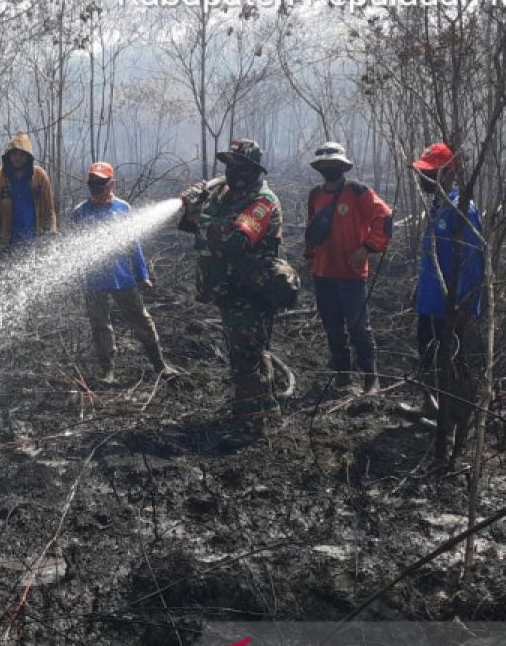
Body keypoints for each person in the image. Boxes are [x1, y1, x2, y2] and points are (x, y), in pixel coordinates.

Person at [179, 139, 283, 423]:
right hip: (230, 289)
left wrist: (202, 217)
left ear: (253, 170)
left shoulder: (262, 202)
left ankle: (249, 421)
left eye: (239, 166)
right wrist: (194, 207)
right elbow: (196, 226)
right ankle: (261, 408)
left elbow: (234, 241)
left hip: (252, 290)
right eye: (229, 165)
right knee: (243, 352)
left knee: (247, 355)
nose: (232, 171)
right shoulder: (226, 195)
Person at [412, 142, 485, 464]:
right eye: (423, 173)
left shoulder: (462, 210)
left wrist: (465, 306)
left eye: (430, 173)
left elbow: (472, 261)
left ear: (448, 174)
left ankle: (454, 426)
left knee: (454, 365)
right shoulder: (437, 207)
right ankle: (432, 405)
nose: (424, 179)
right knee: (427, 354)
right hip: (429, 302)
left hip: (451, 307)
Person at [303, 142, 394, 395]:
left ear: (343, 166)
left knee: (358, 327)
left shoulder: (357, 192)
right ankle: (342, 377)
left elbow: (384, 218)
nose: (329, 168)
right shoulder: (315, 195)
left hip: (351, 275)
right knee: (333, 327)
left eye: (334, 164)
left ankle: (370, 378)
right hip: (323, 274)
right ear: (319, 167)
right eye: (325, 165)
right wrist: (310, 259)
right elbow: (312, 232)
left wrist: (367, 248)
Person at [71, 162, 172, 383]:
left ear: (111, 183)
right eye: (92, 183)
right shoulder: (80, 212)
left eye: (101, 182)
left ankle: (160, 365)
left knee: (140, 319)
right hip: (93, 279)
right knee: (100, 326)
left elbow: (133, 244)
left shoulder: (122, 208)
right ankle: (108, 371)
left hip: (122, 276)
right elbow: (74, 248)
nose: (96, 187)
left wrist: (142, 274)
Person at [0, 132, 57, 252]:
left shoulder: (39, 176)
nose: (18, 158)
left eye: (22, 154)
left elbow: (49, 210)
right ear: (8, 155)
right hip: (6, 244)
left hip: (37, 244)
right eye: (15, 154)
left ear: (28, 157)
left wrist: (51, 233)